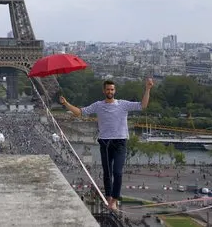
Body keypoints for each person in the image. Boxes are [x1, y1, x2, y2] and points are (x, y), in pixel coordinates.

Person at [59, 78, 153, 211]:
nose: (110, 91)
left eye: (112, 89)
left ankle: (114, 200)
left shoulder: (123, 104)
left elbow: (142, 105)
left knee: (118, 172)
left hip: (120, 141)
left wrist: (148, 89)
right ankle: (109, 198)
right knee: (107, 173)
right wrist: (66, 104)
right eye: (108, 89)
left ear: (115, 91)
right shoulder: (98, 105)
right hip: (105, 142)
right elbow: (80, 112)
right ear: (104, 91)